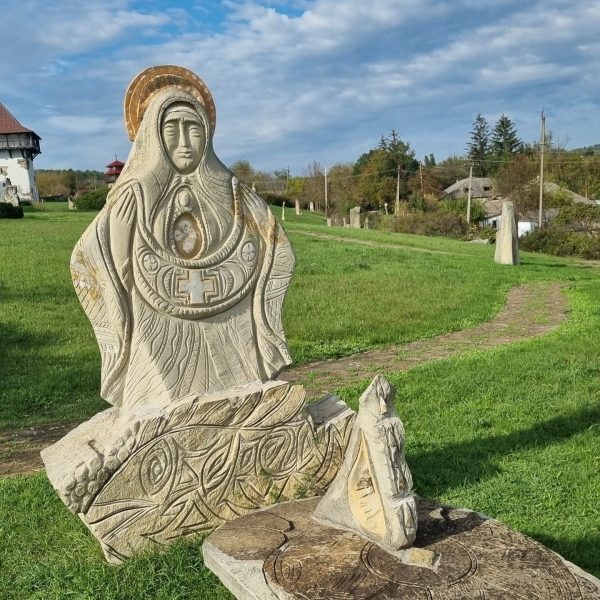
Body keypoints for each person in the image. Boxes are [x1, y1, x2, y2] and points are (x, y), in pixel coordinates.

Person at [71, 75, 294, 410]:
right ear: (153, 135)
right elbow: (91, 256)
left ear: (207, 133)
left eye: (194, 128)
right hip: (156, 326)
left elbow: (276, 246)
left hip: (230, 322)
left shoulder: (233, 192)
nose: (185, 141)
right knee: (156, 395)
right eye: (172, 129)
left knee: (239, 388)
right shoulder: (135, 194)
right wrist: (119, 254)